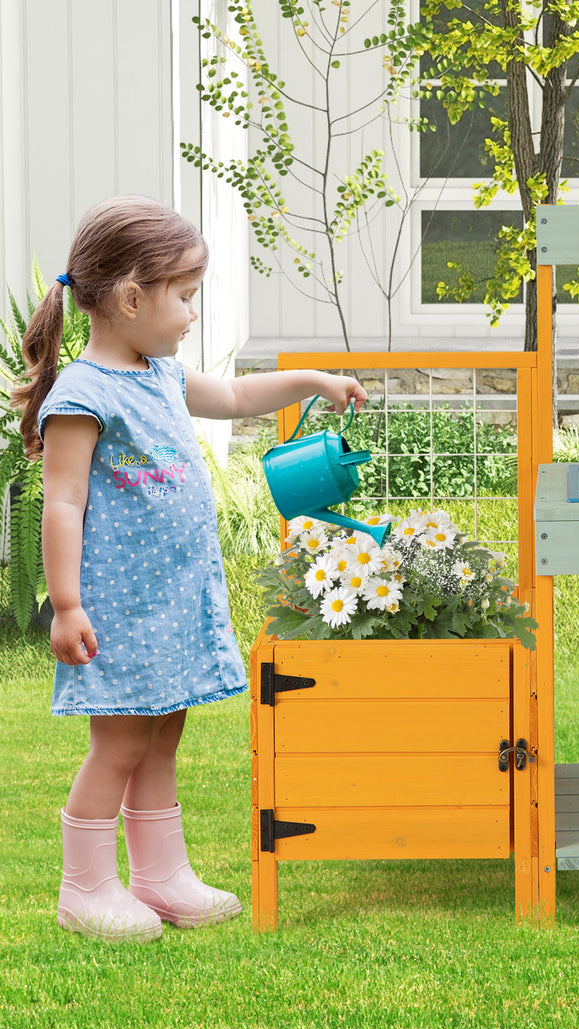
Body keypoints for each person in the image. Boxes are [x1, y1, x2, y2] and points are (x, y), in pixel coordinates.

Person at [13, 194, 367, 942]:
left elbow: (235, 396)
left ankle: (161, 877)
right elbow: (63, 503)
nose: (192, 314)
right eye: (185, 296)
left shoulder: (162, 375)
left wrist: (312, 380)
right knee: (120, 745)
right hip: (119, 610)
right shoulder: (83, 394)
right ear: (131, 297)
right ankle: (85, 887)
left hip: (174, 601)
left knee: (163, 737)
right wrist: (67, 605)